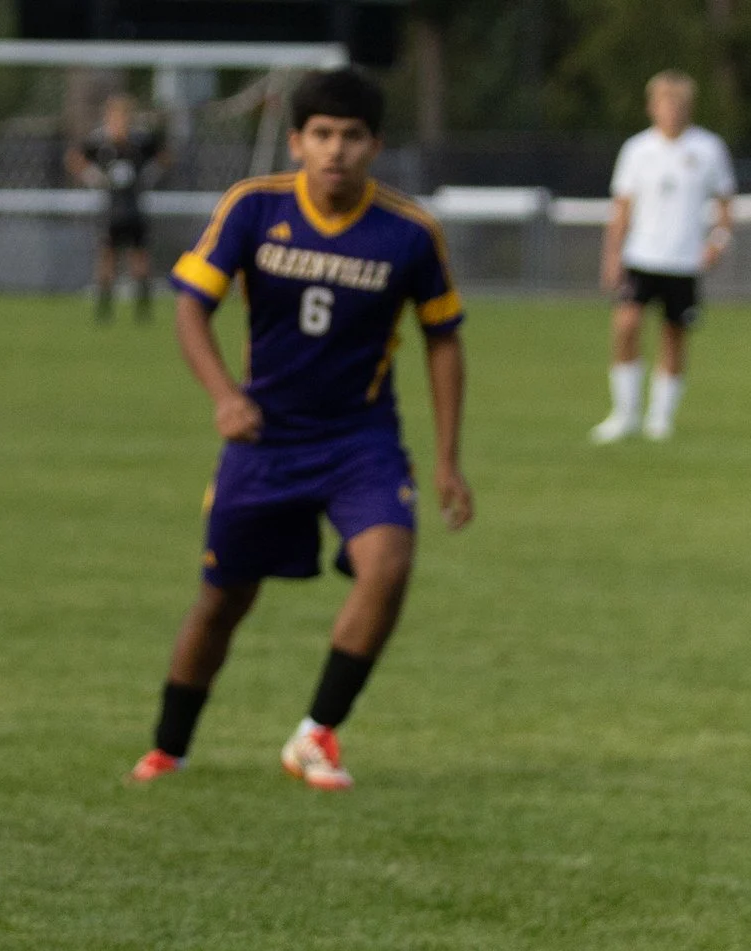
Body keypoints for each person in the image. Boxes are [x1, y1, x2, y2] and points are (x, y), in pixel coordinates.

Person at [127, 67, 471, 793]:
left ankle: (316, 733)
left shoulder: (410, 234)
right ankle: (169, 747)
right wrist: (225, 395)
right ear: (296, 141)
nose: (336, 150)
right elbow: (191, 306)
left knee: (390, 564)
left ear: (375, 145)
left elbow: (444, 338)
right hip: (265, 440)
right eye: (321, 135)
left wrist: (447, 462)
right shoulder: (254, 209)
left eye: (351, 136)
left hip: (361, 438)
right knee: (223, 599)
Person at [591, 70, 734, 444]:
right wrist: (612, 256)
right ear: (652, 107)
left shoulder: (708, 149)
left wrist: (717, 242)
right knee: (626, 326)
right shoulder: (637, 150)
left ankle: (660, 418)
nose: (672, 111)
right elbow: (621, 208)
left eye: (679, 104)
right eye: (665, 103)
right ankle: (624, 414)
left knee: (674, 337)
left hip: (684, 262)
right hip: (641, 256)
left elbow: (725, 206)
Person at [67, 92, 164, 324]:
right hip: (112, 208)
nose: (120, 120)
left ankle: (143, 310)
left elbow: (164, 155)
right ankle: (104, 311)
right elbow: (74, 158)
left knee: (139, 256)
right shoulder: (100, 141)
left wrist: (150, 175)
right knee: (107, 255)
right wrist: (94, 177)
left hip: (133, 206)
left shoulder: (139, 140)